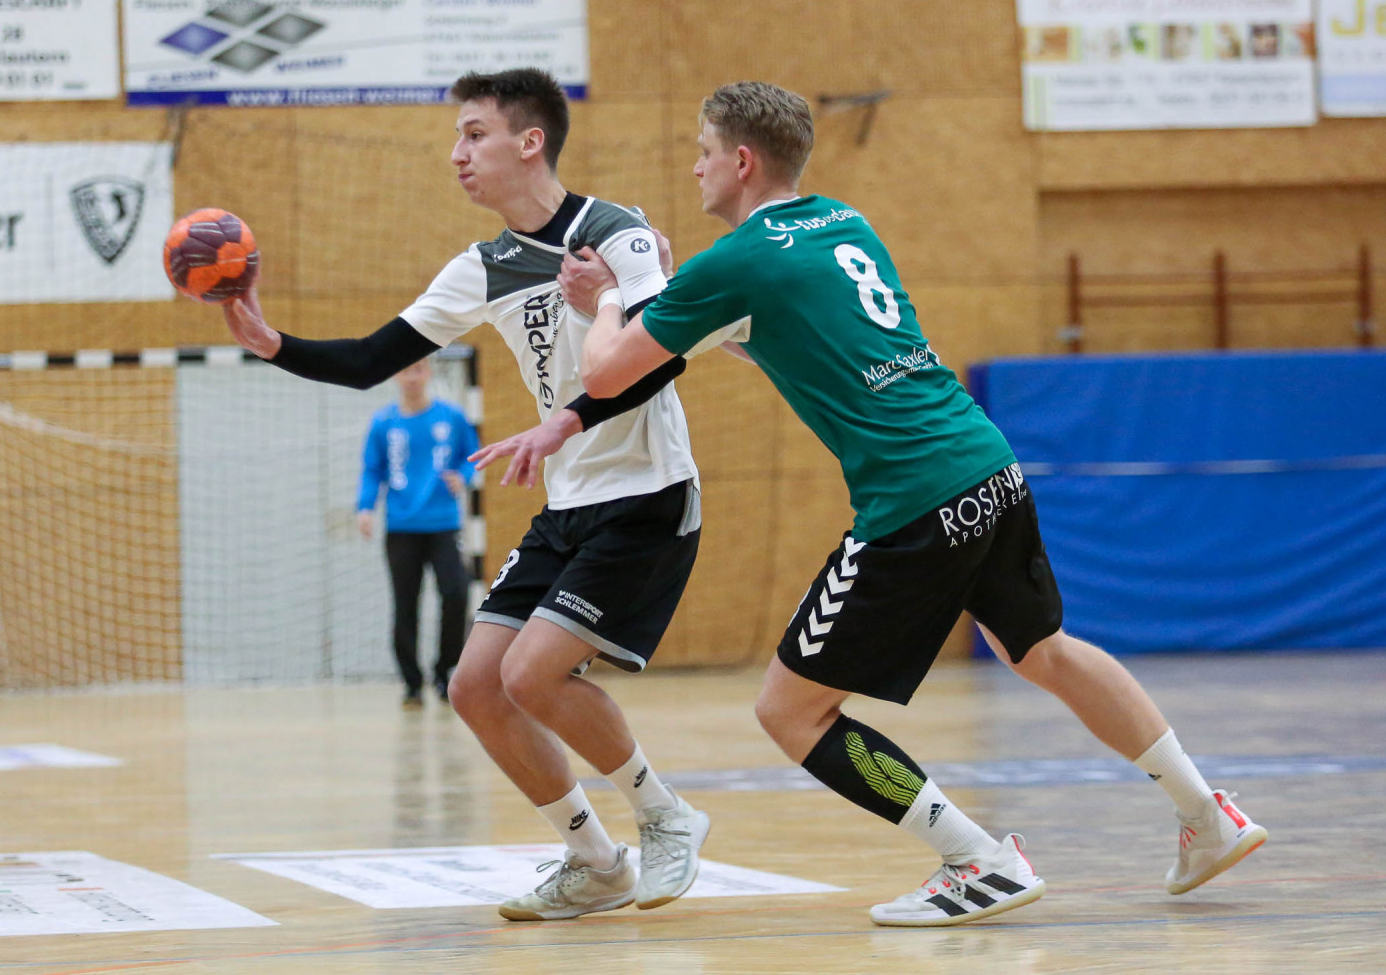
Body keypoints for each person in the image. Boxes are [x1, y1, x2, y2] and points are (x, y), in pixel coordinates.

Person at [498, 80, 1267, 927]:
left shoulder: (737, 261)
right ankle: (1206, 813)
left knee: (790, 710)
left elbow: (607, 371)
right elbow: (790, 336)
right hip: (987, 464)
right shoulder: (842, 221)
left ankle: (979, 860)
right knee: (1042, 649)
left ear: (742, 161)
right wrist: (680, 294)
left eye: (704, 152)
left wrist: (608, 298)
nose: (695, 168)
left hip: (913, 497)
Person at [221, 68, 733, 922]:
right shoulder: (483, 267)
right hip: (568, 502)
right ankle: (595, 862)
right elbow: (369, 359)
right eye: (457, 137)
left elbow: (660, 358)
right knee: (475, 687)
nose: (457, 153)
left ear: (529, 141)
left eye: (473, 134)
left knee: (533, 675)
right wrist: (274, 343)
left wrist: (560, 421)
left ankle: (666, 814)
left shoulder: (618, 235)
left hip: (647, 492)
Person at [356, 357, 478, 707]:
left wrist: (463, 476)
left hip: (444, 525)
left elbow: (472, 454)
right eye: (405, 370)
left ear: (428, 373)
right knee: (405, 603)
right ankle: (412, 682)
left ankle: (446, 670)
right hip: (401, 527)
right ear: (396, 374)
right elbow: (372, 469)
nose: (412, 377)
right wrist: (365, 508)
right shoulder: (383, 423)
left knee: (455, 593)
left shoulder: (452, 416)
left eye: (419, 369)